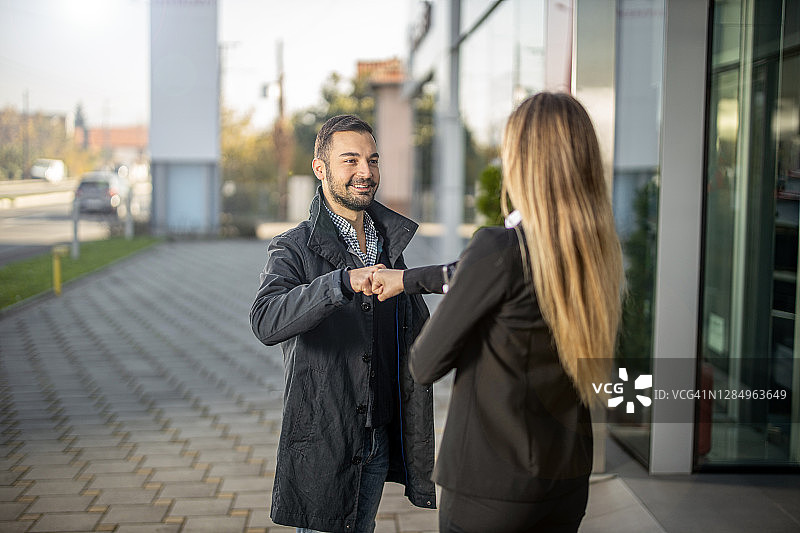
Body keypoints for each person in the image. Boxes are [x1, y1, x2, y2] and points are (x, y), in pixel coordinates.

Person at [369, 92, 624, 533]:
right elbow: (481, 273)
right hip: (566, 480)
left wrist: (470, 317)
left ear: (523, 161)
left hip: (493, 491)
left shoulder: (499, 248)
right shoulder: (594, 252)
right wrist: (408, 279)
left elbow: (425, 364)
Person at [249, 114, 436, 533]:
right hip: (325, 440)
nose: (365, 172)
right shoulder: (293, 247)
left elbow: (411, 333)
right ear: (321, 169)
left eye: (372, 159)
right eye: (350, 160)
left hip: (379, 436)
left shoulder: (390, 244)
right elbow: (264, 320)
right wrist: (340, 282)